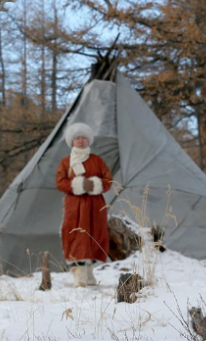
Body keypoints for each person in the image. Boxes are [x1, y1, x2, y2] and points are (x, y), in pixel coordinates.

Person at [55, 122, 113, 287]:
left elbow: (108, 180)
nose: (80, 141)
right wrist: (78, 185)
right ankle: (79, 274)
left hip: (95, 205)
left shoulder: (97, 161)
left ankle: (89, 272)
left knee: (94, 234)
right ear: (72, 141)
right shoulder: (66, 163)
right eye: (77, 138)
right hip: (75, 205)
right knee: (75, 235)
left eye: (83, 138)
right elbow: (60, 182)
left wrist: (94, 185)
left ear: (89, 141)